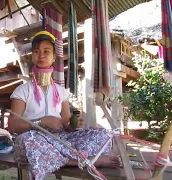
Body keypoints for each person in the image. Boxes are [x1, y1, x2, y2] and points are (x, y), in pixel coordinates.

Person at [8, 31, 120, 180]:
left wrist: (74, 123)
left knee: (103, 134)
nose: (41, 55)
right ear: (32, 56)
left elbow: (67, 126)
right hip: (34, 140)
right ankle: (76, 161)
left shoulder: (61, 92)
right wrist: (39, 123)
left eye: (46, 51)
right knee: (27, 140)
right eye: (36, 51)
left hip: (59, 140)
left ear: (54, 57)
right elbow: (12, 126)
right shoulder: (22, 91)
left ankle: (64, 159)